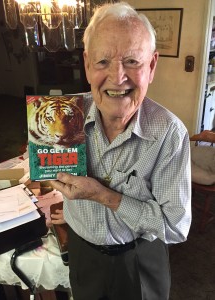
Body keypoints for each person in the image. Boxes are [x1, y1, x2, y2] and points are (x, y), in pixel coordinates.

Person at [51, 2, 192, 300]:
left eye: (132, 61)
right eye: (102, 62)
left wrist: (102, 196)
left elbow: (175, 226)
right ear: (87, 64)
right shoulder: (62, 116)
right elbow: (49, 168)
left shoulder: (170, 133)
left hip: (139, 259)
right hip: (83, 253)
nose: (117, 77)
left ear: (152, 66)